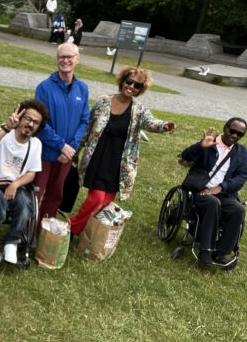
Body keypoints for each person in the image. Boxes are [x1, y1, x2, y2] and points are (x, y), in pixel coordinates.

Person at [70, 67, 176, 236]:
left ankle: (90, 231)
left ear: (141, 90)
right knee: (96, 198)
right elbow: (88, 127)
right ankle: (73, 227)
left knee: (105, 201)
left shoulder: (138, 110)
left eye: (137, 85)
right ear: (122, 80)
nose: (132, 86)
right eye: (129, 81)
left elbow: (151, 123)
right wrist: (76, 149)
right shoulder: (103, 102)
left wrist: (164, 126)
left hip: (119, 163)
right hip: (98, 157)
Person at [0, 100, 48, 265]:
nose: (30, 124)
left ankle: (12, 240)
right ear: (20, 118)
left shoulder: (36, 144)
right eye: (27, 119)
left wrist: (15, 185)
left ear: (39, 127)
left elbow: (31, 173)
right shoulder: (4, 133)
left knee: (25, 205)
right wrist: (6, 128)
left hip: (15, 185)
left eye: (35, 122)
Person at [179, 118, 247, 268]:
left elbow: (242, 176)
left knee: (238, 209)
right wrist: (200, 146)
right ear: (225, 128)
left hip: (222, 193)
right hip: (200, 191)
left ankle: (221, 252)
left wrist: (222, 187)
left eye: (240, 134)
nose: (235, 136)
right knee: (213, 203)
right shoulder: (209, 144)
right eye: (232, 131)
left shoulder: (241, 152)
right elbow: (185, 157)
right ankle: (206, 250)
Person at [34, 43, 90, 228]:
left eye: (69, 57)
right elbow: (40, 123)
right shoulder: (44, 88)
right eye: (61, 57)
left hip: (67, 155)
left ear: (77, 59)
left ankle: (45, 230)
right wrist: (61, 146)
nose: (65, 60)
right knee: (36, 192)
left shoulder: (82, 88)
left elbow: (84, 120)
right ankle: (28, 232)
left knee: (56, 194)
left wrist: (70, 148)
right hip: (45, 153)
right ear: (57, 59)